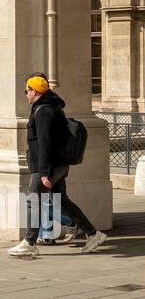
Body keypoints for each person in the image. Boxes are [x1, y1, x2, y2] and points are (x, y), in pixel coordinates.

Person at [9, 74, 107, 258]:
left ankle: (29, 243)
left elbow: (45, 143)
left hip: (47, 166)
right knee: (62, 201)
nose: (25, 95)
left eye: (26, 91)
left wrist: (45, 172)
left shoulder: (44, 111)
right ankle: (94, 234)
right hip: (58, 165)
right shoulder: (51, 107)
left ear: (34, 91)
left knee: (33, 201)